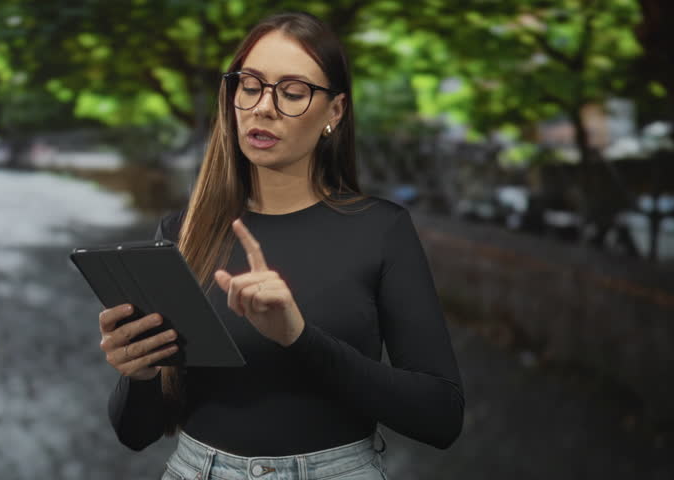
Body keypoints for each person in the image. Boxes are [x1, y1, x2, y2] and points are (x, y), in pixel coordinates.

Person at [98, 11, 464, 480]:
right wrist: (138, 372)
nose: (263, 107)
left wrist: (300, 338)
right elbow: (135, 432)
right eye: (250, 85)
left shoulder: (382, 230)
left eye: (292, 93)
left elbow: (441, 417)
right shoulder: (182, 232)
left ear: (335, 112)